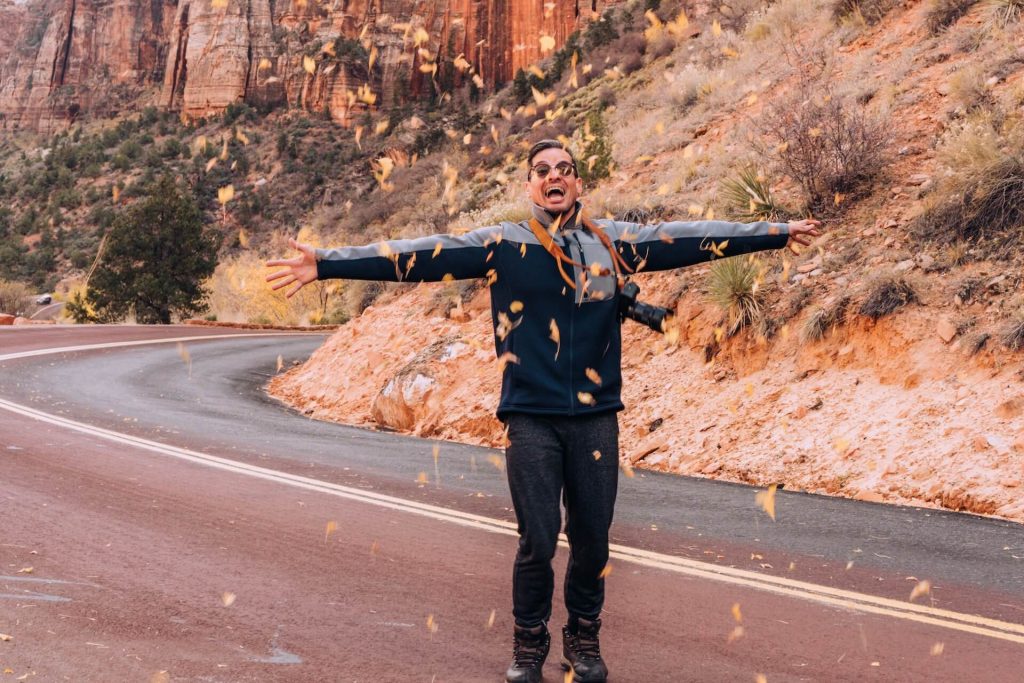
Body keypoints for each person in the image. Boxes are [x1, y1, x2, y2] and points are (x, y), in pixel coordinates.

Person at [266, 139, 821, 682]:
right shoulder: (501, 245)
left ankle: (583, 638)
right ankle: (528, 642)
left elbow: (693, 237)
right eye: (542, 169)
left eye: (564, 167)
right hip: (530, 416)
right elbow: (416, 254)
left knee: (593, 539)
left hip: (596, 418)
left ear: (578, 182)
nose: (554, 175)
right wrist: (327, 264)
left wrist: (776, 233)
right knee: (538, 537)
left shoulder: (612, 242)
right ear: (530, 184)